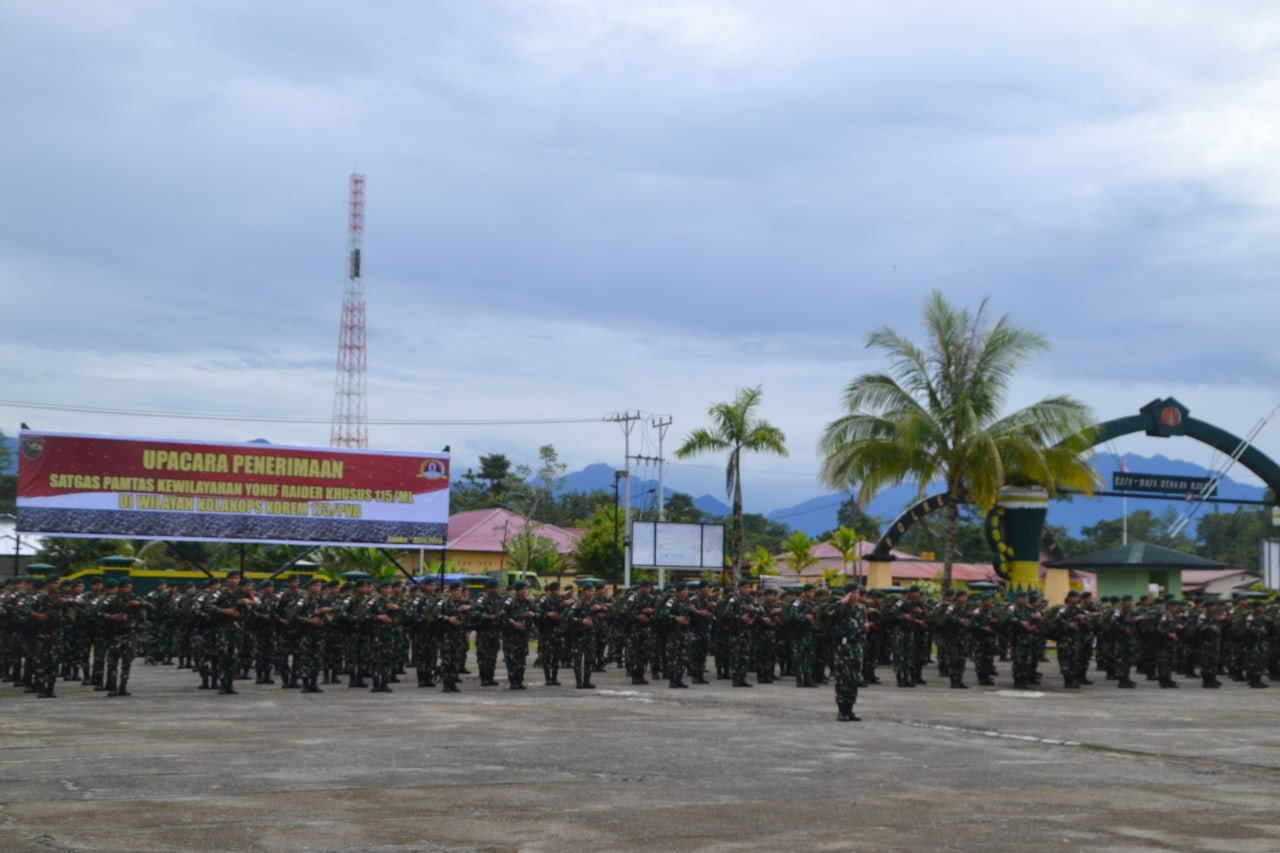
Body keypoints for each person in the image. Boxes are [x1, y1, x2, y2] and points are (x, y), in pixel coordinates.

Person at [831, 584, 868, 722]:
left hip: (856, 646)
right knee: (843, 678)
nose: (856, 595)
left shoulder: (861, 608)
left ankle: (850, 709)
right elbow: (829, 614)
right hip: (843, 647)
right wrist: (842, 602)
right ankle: (841, 711)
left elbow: (864, 622)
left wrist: (866, 627)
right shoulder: (840, 607)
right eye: (853, 593)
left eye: (857, 593)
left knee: (854, 678)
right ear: (847, 594)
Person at [500, 581, 536, 689]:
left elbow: (537, 613)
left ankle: (519, 681)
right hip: (511, 636)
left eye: (526, 589)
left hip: (523, 636)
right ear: (517, 590)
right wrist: (513, 623)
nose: (525, 591)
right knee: (511, 660)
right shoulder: (510, 601)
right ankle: (513, 682)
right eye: (523, 589)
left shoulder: (529, 602)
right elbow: (502, 615)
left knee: (521, 659)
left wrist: (533, 614)